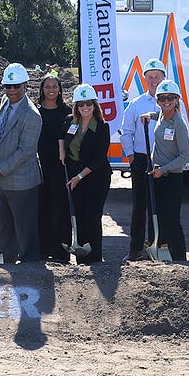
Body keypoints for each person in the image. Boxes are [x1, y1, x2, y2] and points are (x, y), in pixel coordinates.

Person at [0, 63, 43, 264]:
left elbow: (25, 151)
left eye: (16, 86)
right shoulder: (5, 101)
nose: (11, 90)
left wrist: (0, 170)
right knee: (4, 225)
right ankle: (8, 259)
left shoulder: (32, 115)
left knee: (24, 226)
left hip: (21, 181)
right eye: (8, 86)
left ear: (25, 85)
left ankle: (30, 264)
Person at [119, 58, 168, 261]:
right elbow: (126, 132)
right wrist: (131, 157)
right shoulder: (136, 104)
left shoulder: (171, 103)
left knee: (160, 206)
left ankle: (156, 246)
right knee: (140, 206)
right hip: (141, 159)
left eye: (157, 76)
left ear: (164, 77)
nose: (154, 80)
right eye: (150, 77)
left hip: (163, 160)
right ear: (144, 79)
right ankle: (135, 249)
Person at [60, 84, 110, 264]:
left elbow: (98, 159)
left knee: (92, 216)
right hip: (75, 176)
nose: (85, 107)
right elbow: (61, 135)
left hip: (95, 177)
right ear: (76, 106)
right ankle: (81, 257)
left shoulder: (103, 127)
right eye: (81, 104)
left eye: (89, 103)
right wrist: (62, 150)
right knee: (79, 215)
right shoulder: (69, 121)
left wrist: (79, 177)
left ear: (95, 104)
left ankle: (94, 257)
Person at [145, 81, 189, 261]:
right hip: (158, 176)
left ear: (177, 99)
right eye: (162, 98)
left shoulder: (178, 124)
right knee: (158, 216)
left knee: (171, 220)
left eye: (170, 98)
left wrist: (163, 169)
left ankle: (179, 257)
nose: (166, 101)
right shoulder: (163, 116)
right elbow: (161, 117)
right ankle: (161, 253)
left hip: (172, 178)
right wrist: (150, 115)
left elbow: (185, 155)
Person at [35, 74, 72, 263]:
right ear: (42, 89)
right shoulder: (35, 110)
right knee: (42, 207)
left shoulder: (67, 111)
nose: (51, 90)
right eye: (47, 86)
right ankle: (43, 249)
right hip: (39, 164)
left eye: (54, 86)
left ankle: (62, 251)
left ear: (60, 89)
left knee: (61, 207)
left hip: (61, 165)